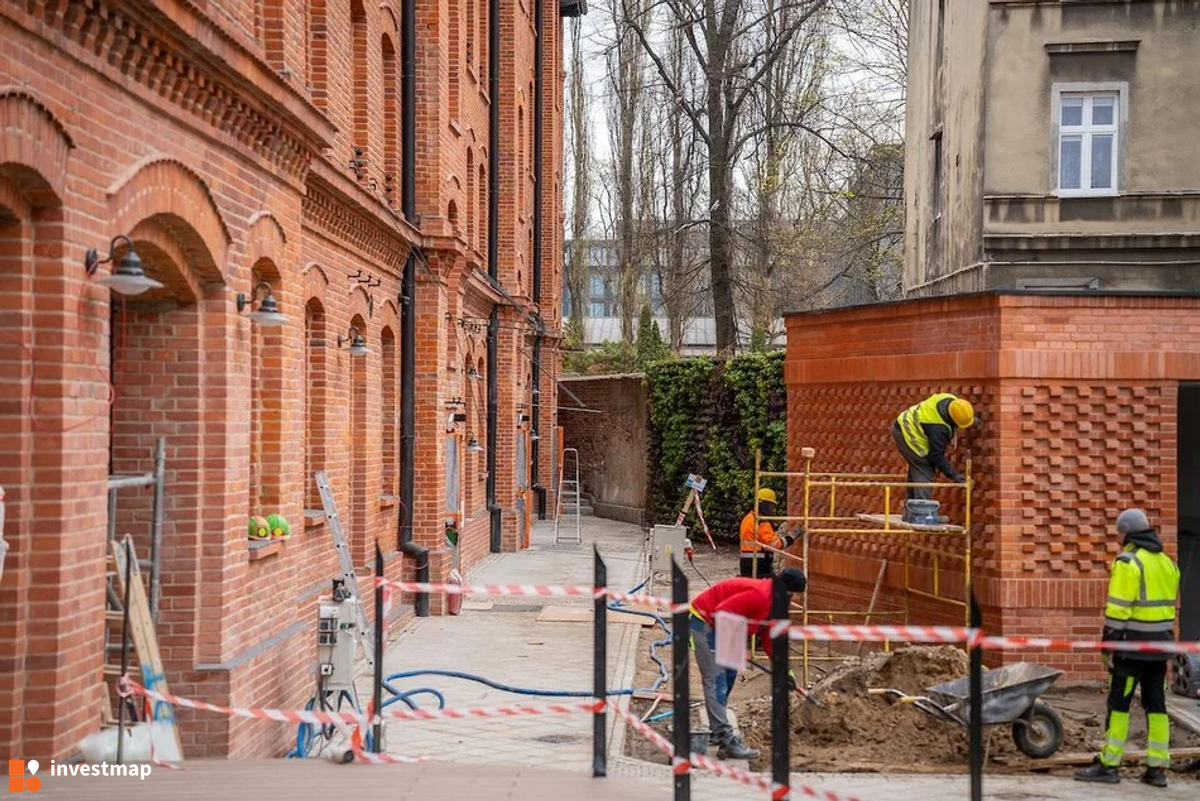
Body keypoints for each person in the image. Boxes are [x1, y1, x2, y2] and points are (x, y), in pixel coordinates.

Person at [1075, 509, 1181, 787]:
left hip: (1130, 649)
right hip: (1160, 648)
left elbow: (1117, 611)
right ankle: (1157, 768)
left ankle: (1110, 764)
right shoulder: (1167, 563)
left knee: (1119, 705)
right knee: (1156, 705)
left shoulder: (1128, 562)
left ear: (1125, 534)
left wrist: (1107, 645)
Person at [688, 567, 807, 760]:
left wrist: (786, 673)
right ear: (787, 591)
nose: (798, 600)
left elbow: (772, 640)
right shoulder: (760, 595)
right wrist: (739, 646)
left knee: (729, 673)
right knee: (716, 680)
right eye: (797, 595)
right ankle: (726, 737)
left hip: (722, 625)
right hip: (704, 621)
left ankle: (717, 729)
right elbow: (723, 612)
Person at [892, 393, 974, 509]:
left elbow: (963, 413)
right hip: (907, 432)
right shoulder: (938, 429)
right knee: (924, 466)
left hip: (906, 421)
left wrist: (970, 420)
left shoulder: (951, 400)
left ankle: (910, 512)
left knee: (916, 469)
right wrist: (955, 476)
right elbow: (936, 456)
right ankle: (922, 511)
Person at [739, 488, 797, 577]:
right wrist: (793, 537)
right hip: (759, 563)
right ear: (764, 505)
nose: (773, 510)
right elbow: (776, 545)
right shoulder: (761, 521)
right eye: (771, 506)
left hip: (745, 562)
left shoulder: (748, 518)